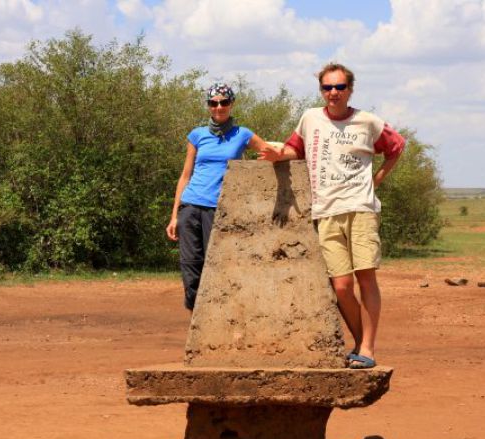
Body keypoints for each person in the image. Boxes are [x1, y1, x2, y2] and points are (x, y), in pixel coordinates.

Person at [259, 63, 406, 369]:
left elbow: (396, 147)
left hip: (360, 209)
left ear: (350, 89)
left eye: (339, 87)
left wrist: (376, 181)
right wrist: (276, 154)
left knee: (366, 278)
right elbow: (293, 149)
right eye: (327, 87)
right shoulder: (310, 118)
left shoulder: (367, 121)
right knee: (341, 286)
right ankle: (359, 341)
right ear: (321, 90)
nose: (333, 93)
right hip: (326, 211)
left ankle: (367, 348)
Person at [167, 82, 275, 312]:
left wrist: (292, 152)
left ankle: (218, 316)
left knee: (217, 263)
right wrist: (175, 215)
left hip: (220, 209)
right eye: (213, 103)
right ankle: (197, 316)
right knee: (190, 264)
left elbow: (268, 151)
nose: (219, 107)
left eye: (224, 102)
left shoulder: (242, 134)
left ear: (231, 104)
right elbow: (185, 176)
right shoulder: (197, 135)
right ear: (208, 106)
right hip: (191, 205)